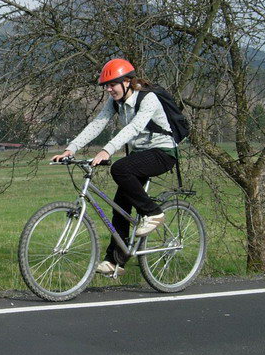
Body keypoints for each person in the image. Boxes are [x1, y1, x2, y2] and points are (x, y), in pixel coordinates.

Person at [52, 58, 177, 278]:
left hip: (162, 153)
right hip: (140, 155)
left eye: (112, 84)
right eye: (106, 86)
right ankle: (115, 261)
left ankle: (153, 213)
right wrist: (70, 149)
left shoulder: (149, 99)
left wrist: (107, 150)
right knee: (120, 205)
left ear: (127, 81)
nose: (109, 89)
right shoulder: (115, 103)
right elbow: (97, 124)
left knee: (119, 169)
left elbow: (135, 127)